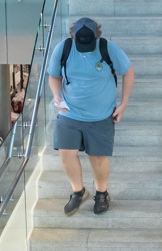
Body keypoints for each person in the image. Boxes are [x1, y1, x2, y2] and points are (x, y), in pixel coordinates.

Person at [49, 17, 134, 215]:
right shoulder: (64, 48)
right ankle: (78, 191)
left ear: (96, 36)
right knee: (66, 152)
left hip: (101, 115)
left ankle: (102, 193)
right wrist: (56, 95)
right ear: (73, 36)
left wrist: (124, 104)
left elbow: (128, 72)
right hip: (70, 112)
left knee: (98, 157)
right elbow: (53, 76)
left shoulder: (108, 48)